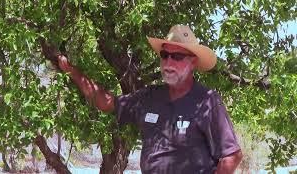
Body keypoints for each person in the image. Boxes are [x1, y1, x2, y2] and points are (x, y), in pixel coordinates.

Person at [56, 25, 243, 174]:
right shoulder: (148, 97)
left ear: (192, 62)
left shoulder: (206, 101)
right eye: (165, 55)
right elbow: (107, 103)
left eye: (177, 56)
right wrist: (72, 71)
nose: (169, 63)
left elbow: (232, 156)